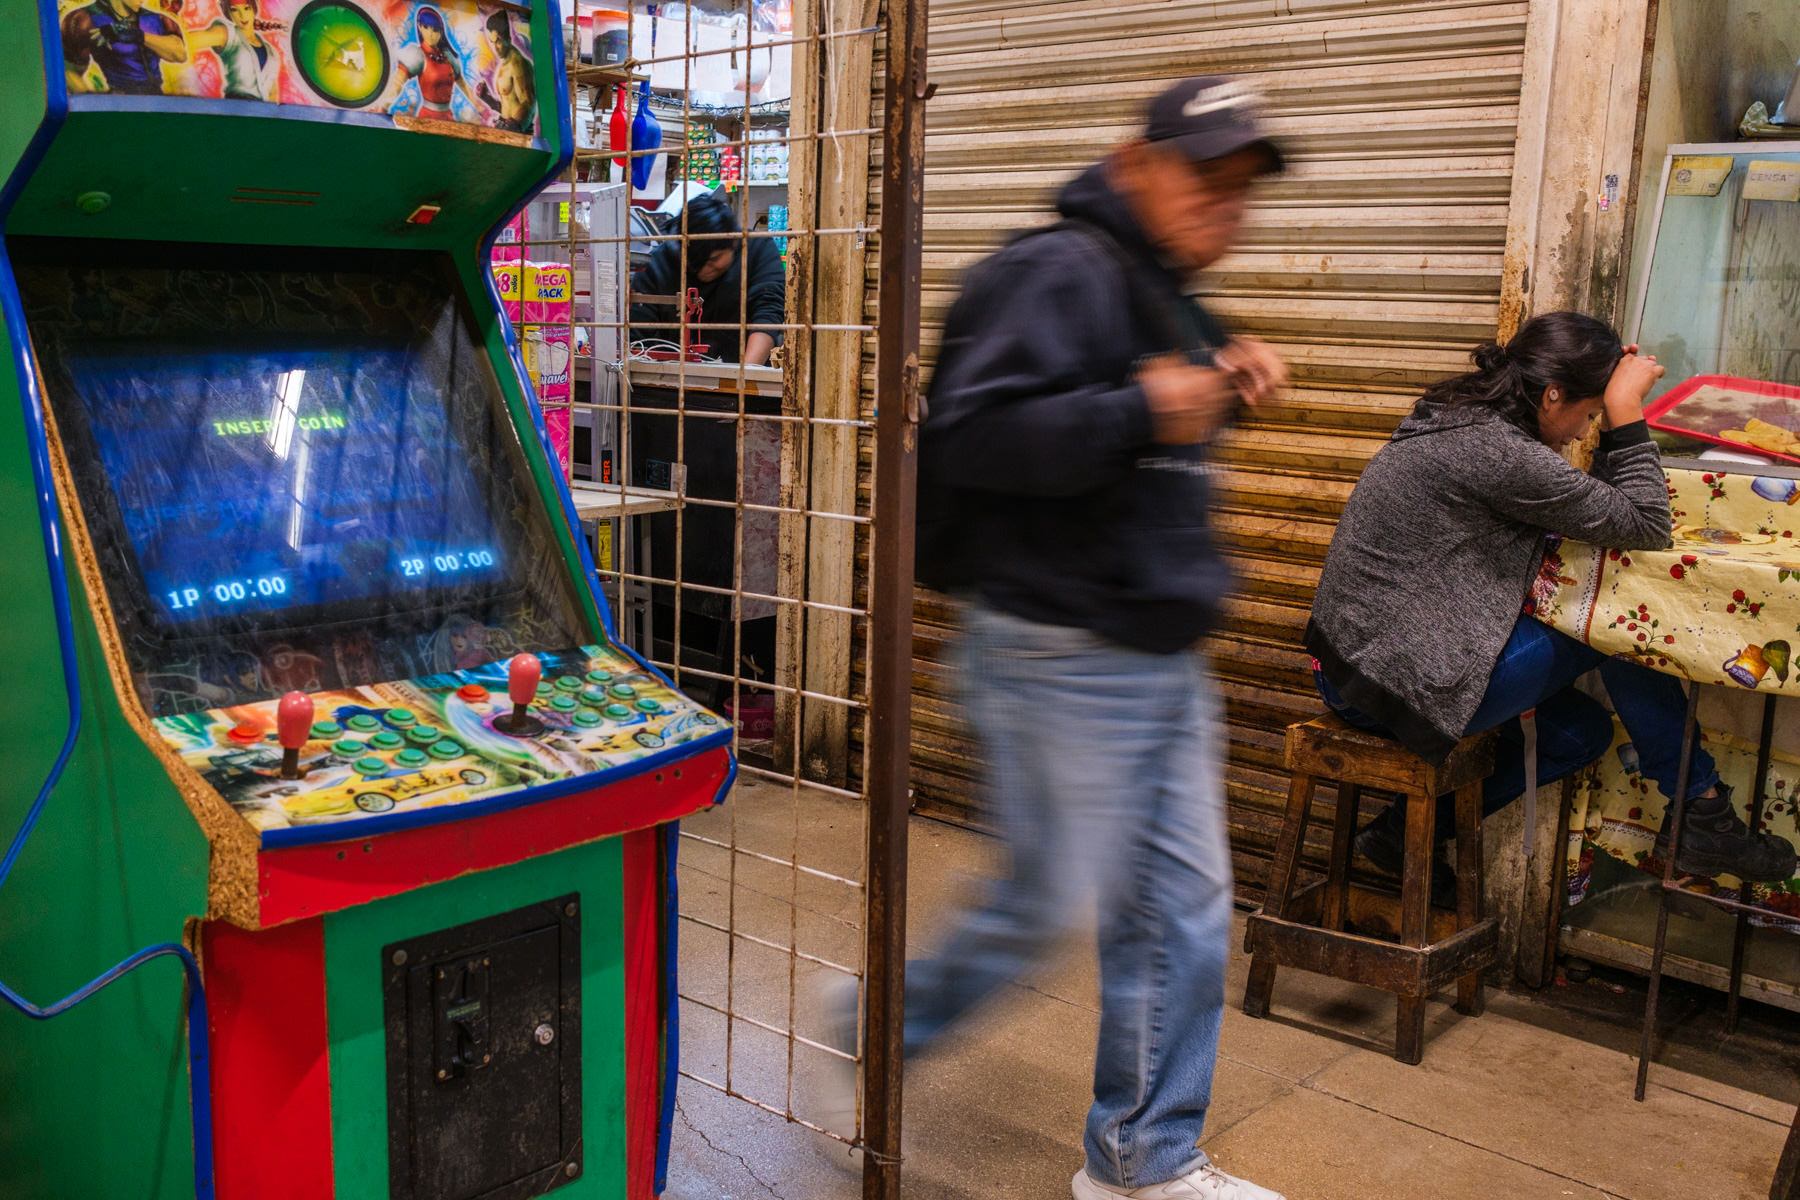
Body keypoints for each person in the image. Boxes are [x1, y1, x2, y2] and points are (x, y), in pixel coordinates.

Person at [855, 76, 1291, 1200]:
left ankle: (1142, 1161)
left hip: (1155, 647)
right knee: (1044, 907)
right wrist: (1145, 410)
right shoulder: (1057, 269)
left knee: (1182, 911)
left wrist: (1223, 365)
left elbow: (1137, 403)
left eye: (1243, 187)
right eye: (1205, 178)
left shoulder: (1160, 287)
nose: (1226, 207)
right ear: (1135, 163)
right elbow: (969, 440)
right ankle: (873, 1028)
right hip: (1060, 648)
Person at [1306, 312, 1798, 901]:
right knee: (1619, 622)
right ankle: (1703, 810)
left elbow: (1601, 510)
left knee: (1579, 735)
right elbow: (1645, 524)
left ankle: (1401, 834)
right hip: (1392, 683)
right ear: (1553, 395)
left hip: (1358, 668)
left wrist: (1610, 407)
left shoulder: (1465, 419)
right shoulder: (1500, 454)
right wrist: (1625, 410)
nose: (1581, 434)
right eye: (1588, 416)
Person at [629, 194, 784, 366]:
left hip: (745, 368)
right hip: (670, 374)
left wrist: (744, 376)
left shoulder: (758, 249)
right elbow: (638, 335)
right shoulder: (660, 263)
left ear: (733, 241)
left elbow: (767, 315)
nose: (704, 270)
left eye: (714, 259)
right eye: (694, 264)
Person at [62, 0, 187, 96]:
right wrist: (92, 103)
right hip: (119, 100)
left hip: (156, 99)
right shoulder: (84, 19)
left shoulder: (156, 19)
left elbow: (180, 54)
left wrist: (139, 36)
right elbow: (69, 72)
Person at [391, 6, 477, 123]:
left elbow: (463, 84)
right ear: (420, 27)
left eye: (435, 30)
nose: (430, 34)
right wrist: (383, 107)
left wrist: (480, 108)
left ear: (441, 32)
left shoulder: (448, 56)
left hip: (448, 118)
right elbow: (397, 83)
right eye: (426, 27)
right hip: (427, 118)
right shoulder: (418, 54)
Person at [187, 0, 281, 103]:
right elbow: (186, 41)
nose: (242, 15)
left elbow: (272, 92)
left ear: (254, 9)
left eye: (246, 8)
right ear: (228, 14)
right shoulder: (228, 34)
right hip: (236, 104)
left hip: (262, 109)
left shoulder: (272, 52)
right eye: (234, 10)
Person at [475, 9, 534, 133]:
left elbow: (529, 105)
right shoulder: (504, 62)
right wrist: (487, 99)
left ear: (508, 38)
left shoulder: (517, 64)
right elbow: (509, 103)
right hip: (507, 128)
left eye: (498, 41)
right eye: (492, 42)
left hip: (518, 133)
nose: (495, 47)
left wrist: (515, 126)